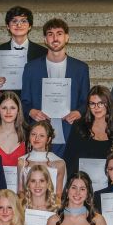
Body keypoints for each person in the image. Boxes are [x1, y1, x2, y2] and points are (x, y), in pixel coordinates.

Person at [21, 18, 90, 156]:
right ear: (45, 39)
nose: (55, 38)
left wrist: (78, 112)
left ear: (67, 37)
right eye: (50, 34)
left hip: (70, 131)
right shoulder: (31, 68)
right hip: (39, 133)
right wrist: (31, 111)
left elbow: (86, 101)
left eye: (59, 33)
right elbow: (24, 101)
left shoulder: (80, 68)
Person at [64, 86, 113, 181]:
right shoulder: (78, 127)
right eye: (92, 104)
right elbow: (68, 160)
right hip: (83, 186)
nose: (96, 107)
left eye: (101, 103)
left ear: (108, 104)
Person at [0, 5, 48, 93]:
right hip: (6, 99)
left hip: (33, 100)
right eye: (14, 21)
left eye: (23, 21)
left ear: (30, 26)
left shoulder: (43, 52)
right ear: (7, 26)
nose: (19, 25)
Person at [17, 120, 66, 198]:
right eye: (33, 134)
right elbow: (20, 192)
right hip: (27, 205)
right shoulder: (21, 161)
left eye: (42, 135)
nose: (37, 138)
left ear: (48, 139)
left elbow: (59, 195)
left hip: (51, 205)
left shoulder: (59, 163)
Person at [0, 91, 28, 169]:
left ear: (18, 110)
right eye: (4, 108)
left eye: (12, 108)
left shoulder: (27, 135)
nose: (8, 112)